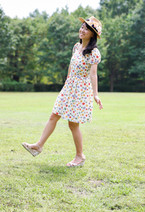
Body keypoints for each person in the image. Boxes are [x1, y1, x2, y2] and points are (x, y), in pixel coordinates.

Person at [22, 16, 103, 167]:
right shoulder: (76, 47)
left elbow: (93, 74)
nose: (82, 30)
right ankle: (39, 146)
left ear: (92, 34)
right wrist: (66, 83)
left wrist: (95, 94)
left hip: (81, 89)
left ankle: (80, 156)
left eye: (86, 28)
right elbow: (70, 67)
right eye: (82, 27)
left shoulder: (93, 52)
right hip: (69, 87)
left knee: (73, 124)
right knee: (54, 115)